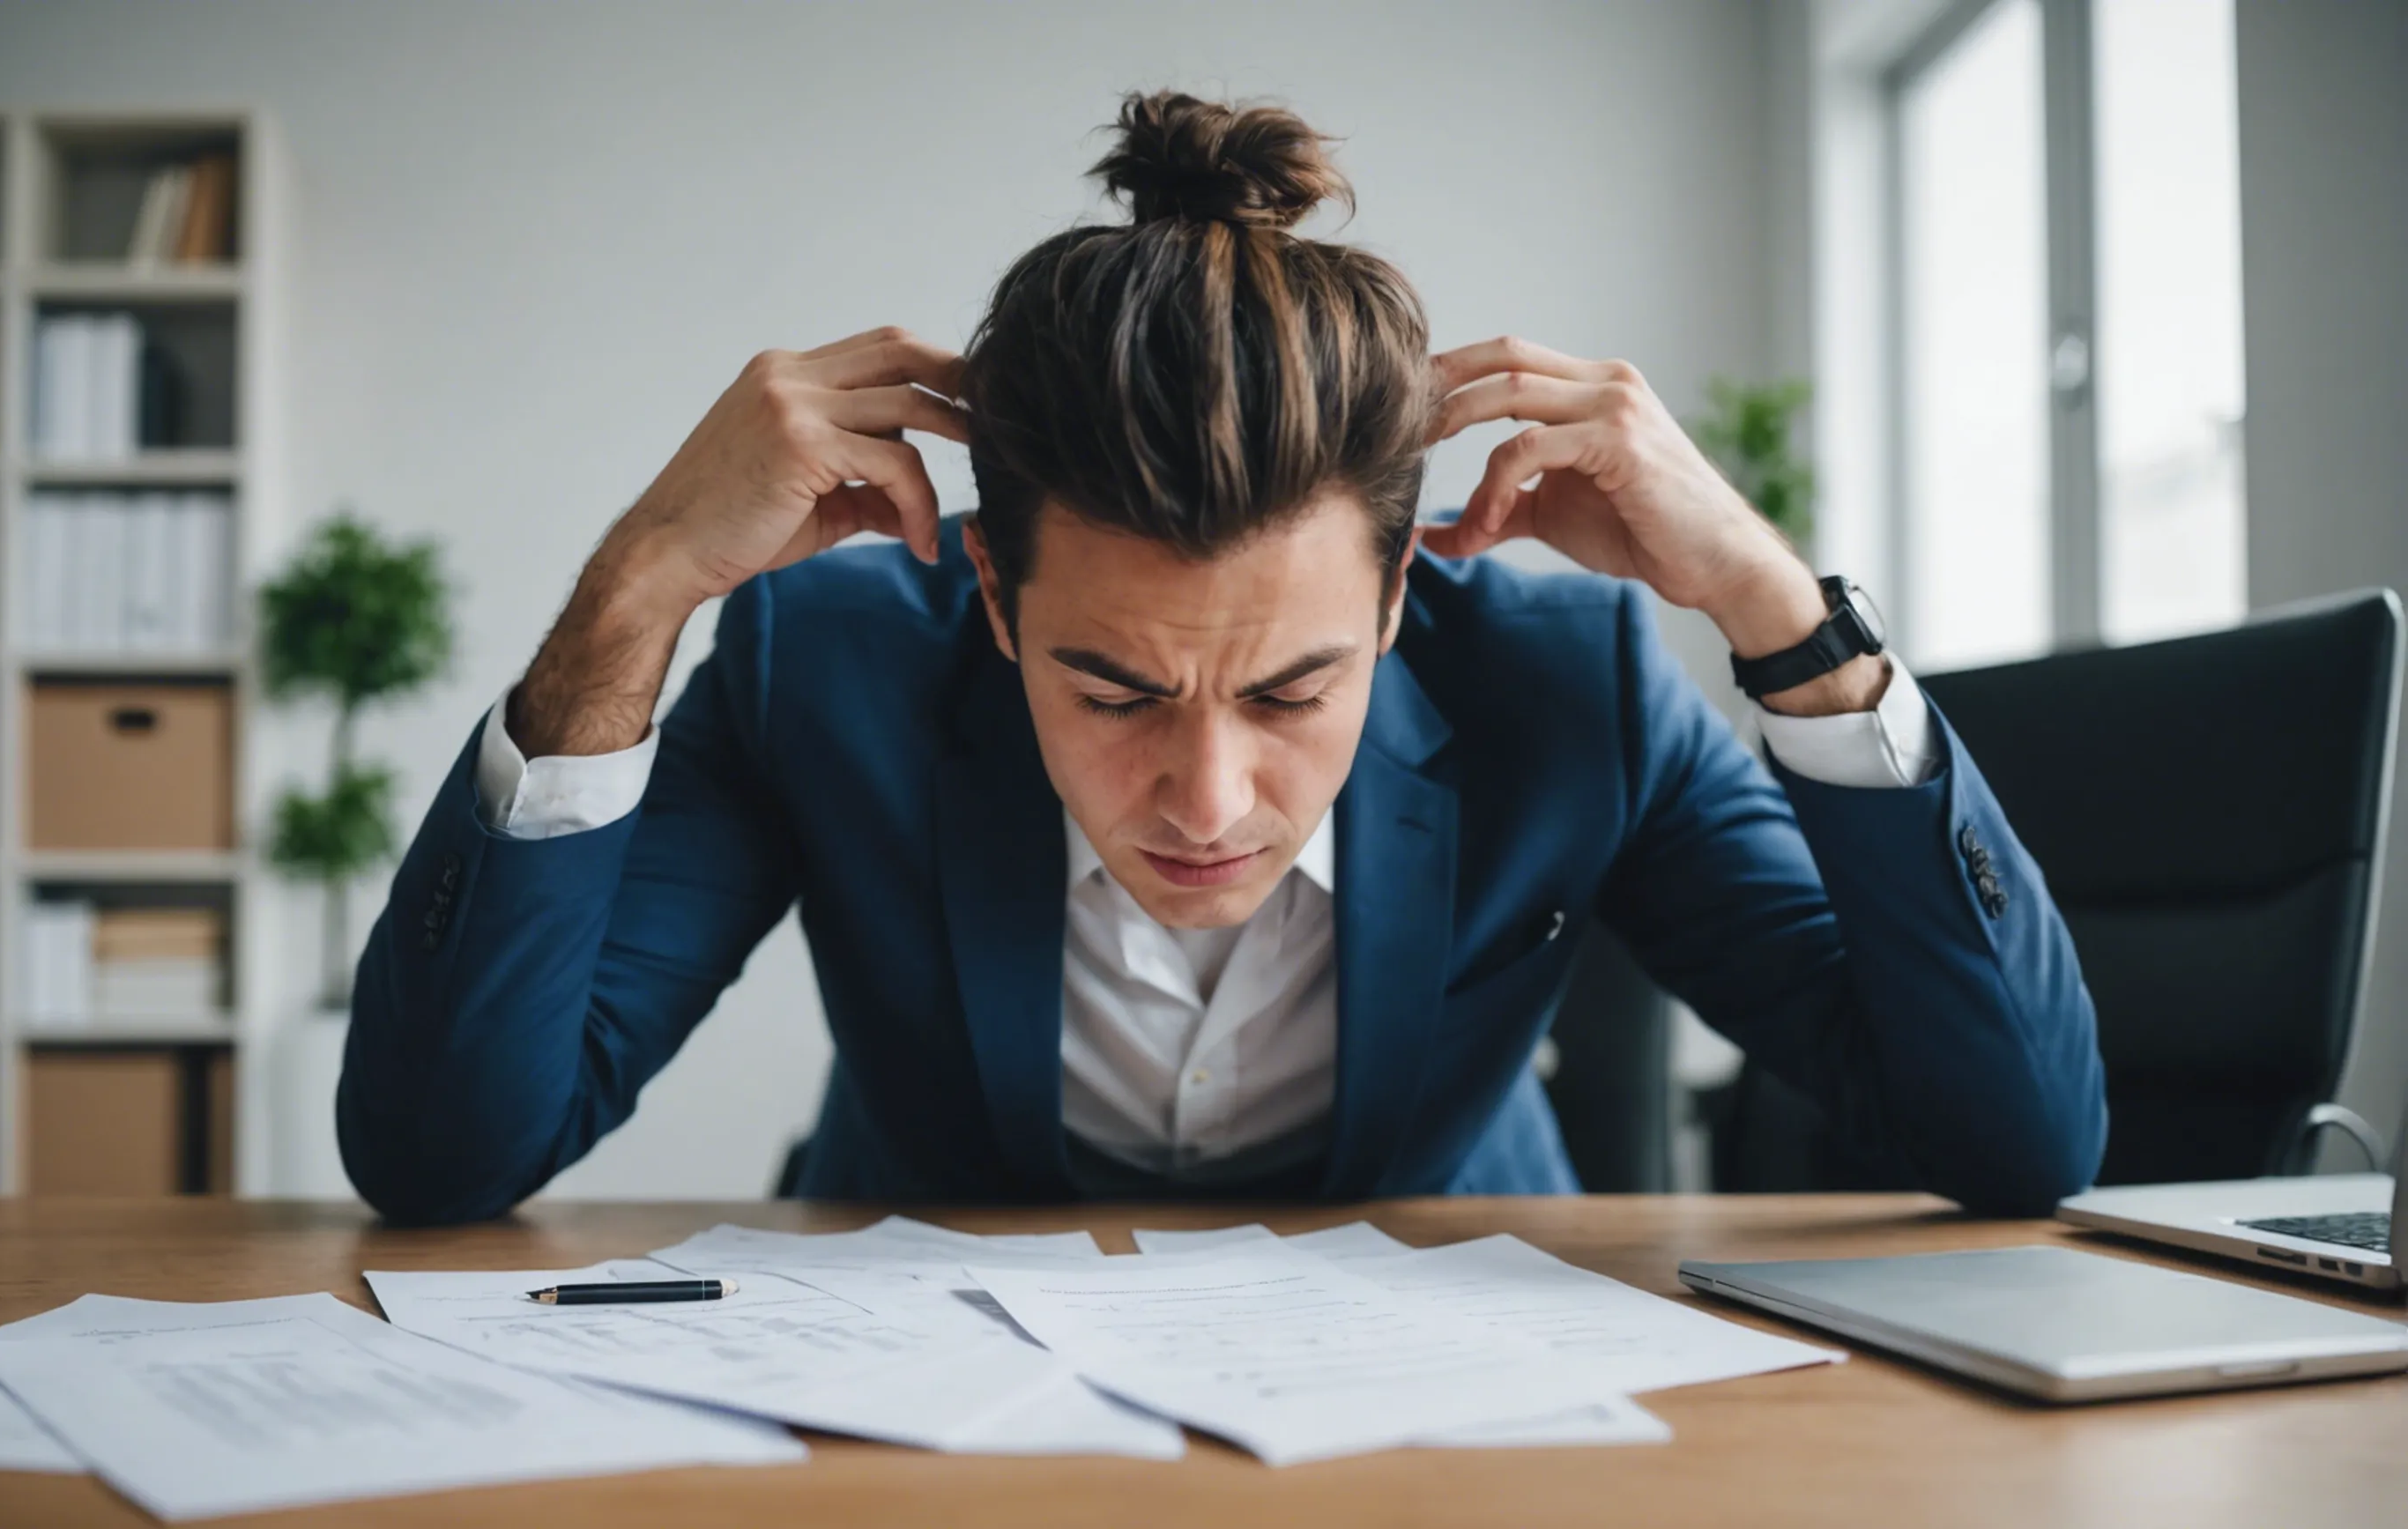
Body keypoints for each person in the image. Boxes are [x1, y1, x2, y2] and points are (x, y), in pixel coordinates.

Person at [338, 92, 2105, 1224]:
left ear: (1404, 597)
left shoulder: (1576, 685)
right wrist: (638, 587)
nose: (1206, 797)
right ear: (993, 602)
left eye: (1291, 691)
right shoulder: (834, 665)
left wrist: (1787, 622)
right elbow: (444, 1163)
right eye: (1112, 688)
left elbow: (2021, 1146)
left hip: (1454, 1415)